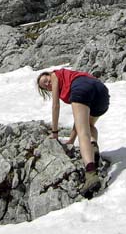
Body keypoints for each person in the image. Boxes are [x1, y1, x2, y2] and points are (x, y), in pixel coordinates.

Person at [37, 67, 110, 197]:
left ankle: (91, 174)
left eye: (46, 80)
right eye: (45, 86)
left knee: (83, 134)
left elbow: (55, 106)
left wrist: (54, 132)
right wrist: (71, 139)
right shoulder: (68, 75)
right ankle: (93, 147)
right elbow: (79, 119)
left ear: (49, 74)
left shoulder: (55, 75)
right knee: (88, 124)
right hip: (101, 91)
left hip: (81, 88)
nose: (48, 84)